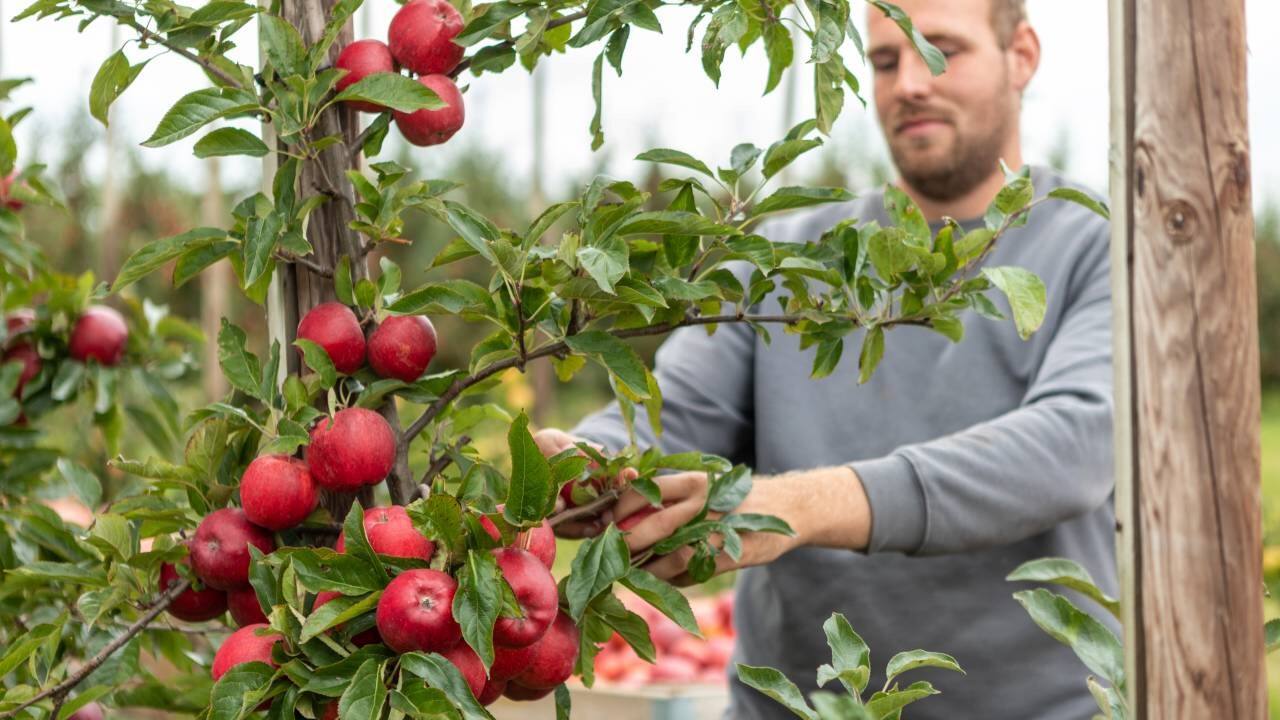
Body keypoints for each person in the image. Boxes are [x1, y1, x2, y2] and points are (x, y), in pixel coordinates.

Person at [534, 0, 1116, 717]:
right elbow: (672, 415)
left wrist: (795, 506)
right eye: (884, 60)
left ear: (1021, 53)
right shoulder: (790, 263)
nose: (909, 83)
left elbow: (1078, 443)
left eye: (941, 52)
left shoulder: (1097, 243)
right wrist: (591, 461)